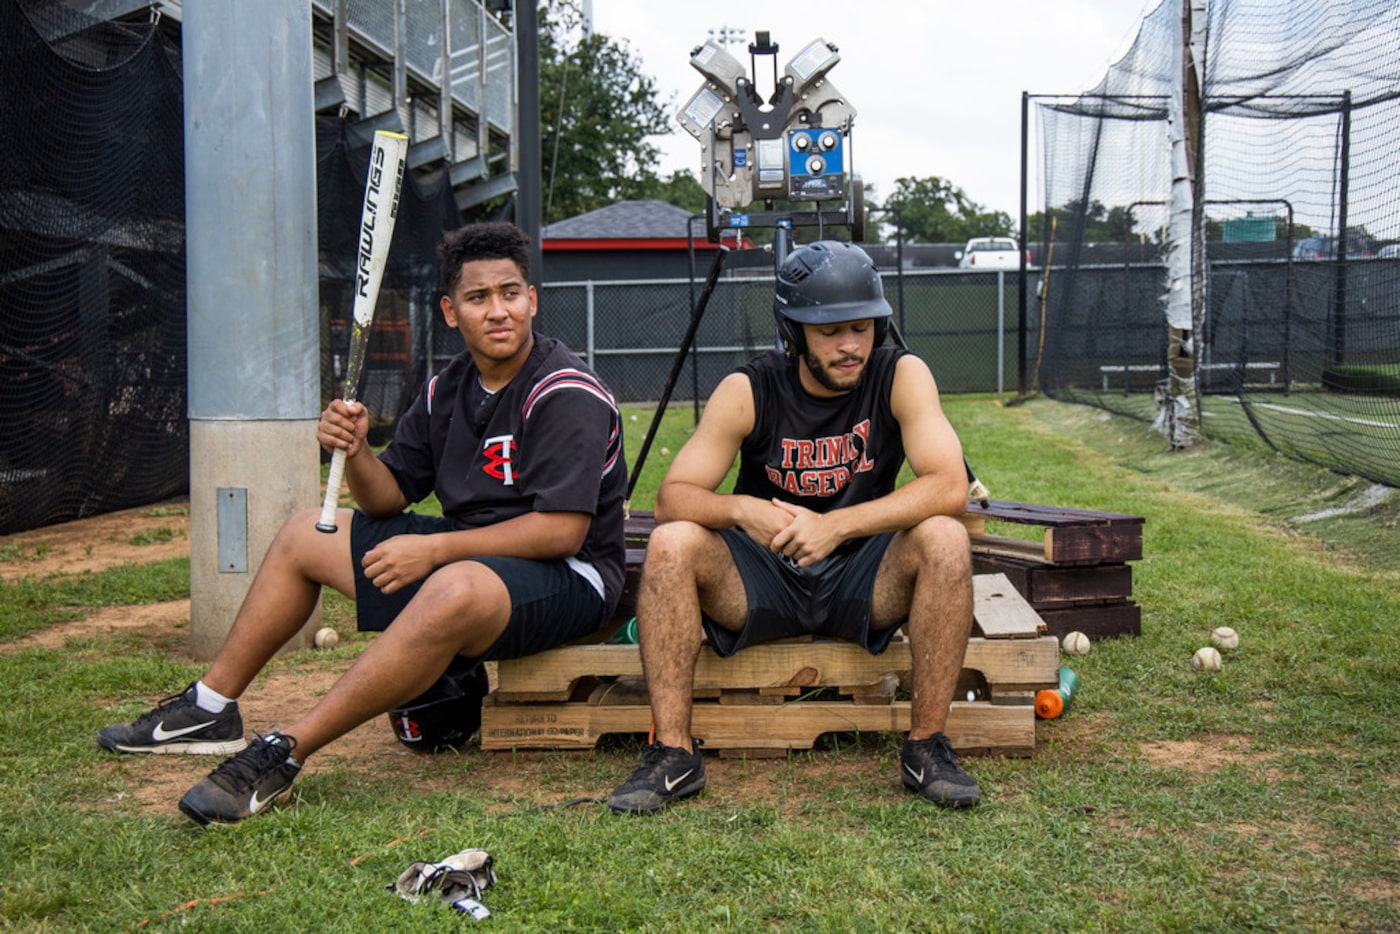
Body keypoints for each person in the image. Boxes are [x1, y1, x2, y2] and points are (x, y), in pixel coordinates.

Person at [98, 222, 627, 825]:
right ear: (451, 312)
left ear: (532, 299)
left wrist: (433, 554)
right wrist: (356, 451)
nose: (498, 310)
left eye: (511, 293)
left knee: (451, 585)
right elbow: (389, 497)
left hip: (570, 576)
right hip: (479, 565)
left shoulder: (564, 391)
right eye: (479, 298)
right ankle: (211, 706)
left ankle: (286, 752)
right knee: (306, 534)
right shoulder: (445, 389)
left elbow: (561, 532)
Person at [607, 240, 979, 814]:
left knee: (946, 536)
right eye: (830, 332)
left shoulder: (901, 374)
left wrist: (837, 526)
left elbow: (949, 486)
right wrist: (740, 509)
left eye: (862, 327)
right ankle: (675, 754)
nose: (851, 345)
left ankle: (926, 745)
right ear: (792, 332)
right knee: (670, 543)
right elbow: (672, 497)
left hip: (862, 573)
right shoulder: (749, 389)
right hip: (766, 576)